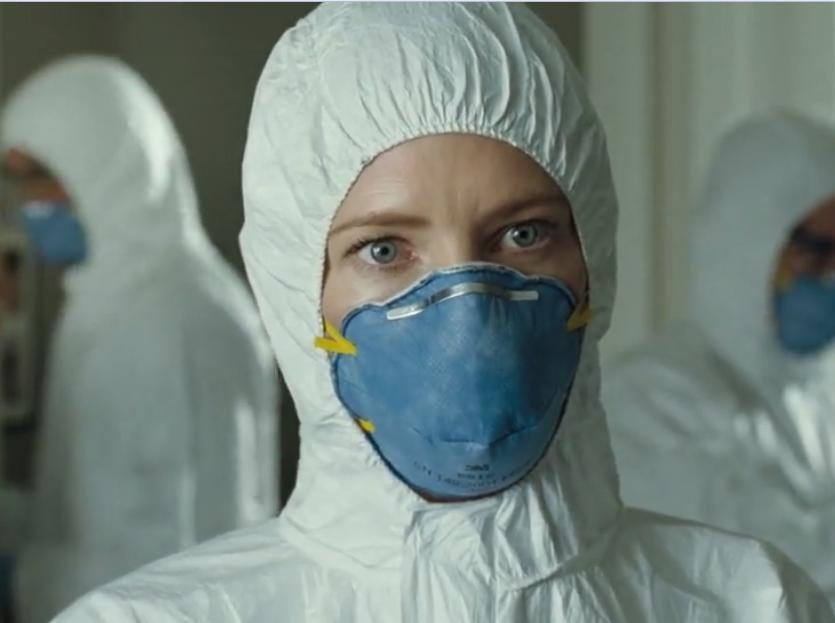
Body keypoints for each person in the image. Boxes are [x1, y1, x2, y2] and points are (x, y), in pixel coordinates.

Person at [54, 5, 832, 622]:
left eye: (522, 234)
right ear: (296, 291)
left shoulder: (754, 602)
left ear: (592, 255)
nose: (467, 311)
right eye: (384, 249)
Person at [0, 56, 279, 623]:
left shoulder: (181, 320)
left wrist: (24, 575)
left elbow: (165, 564)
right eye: (18, 182)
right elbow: (81, 511)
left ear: (107, 167)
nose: (28, 205)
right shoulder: (104, 301)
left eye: (38, 178)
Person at [604, 112, 835, 604]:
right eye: (817, 252)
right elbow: (770, 574)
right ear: (747, 246)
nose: (830, 278)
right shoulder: (647, 401)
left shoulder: (811, 405)